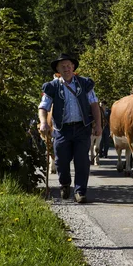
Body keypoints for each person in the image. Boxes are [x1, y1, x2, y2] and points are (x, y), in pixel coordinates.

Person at [38, 53, 102, 203]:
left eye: (68, 66)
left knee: (82, 161)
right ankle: (65, 183)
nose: (66, 68)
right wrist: (43, 122)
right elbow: (43, 106)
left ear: (73, 67)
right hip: (61, 129)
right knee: (61, 160)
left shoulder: (84, 84)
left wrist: (98, 125)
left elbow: (94, 104)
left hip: (82, 128)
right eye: (63, 66)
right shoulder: (52, 86)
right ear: (58, 70)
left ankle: (80, 191)